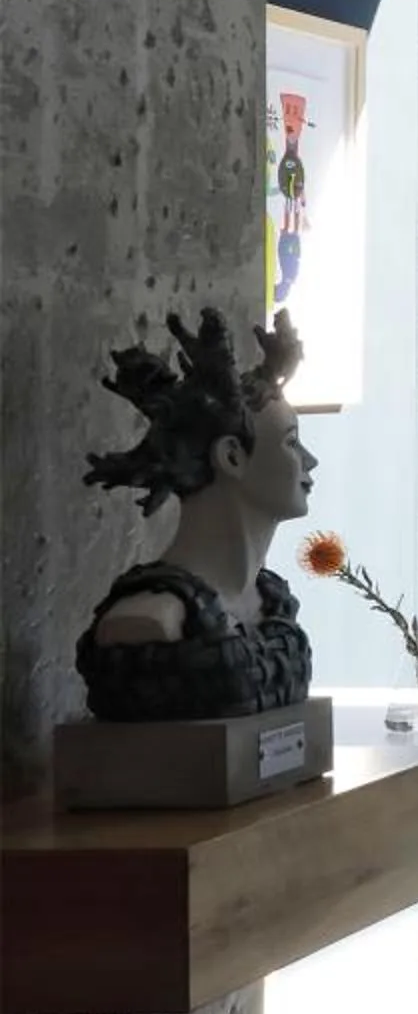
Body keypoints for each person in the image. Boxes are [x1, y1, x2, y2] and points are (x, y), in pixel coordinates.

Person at [75, 307, 317, 721]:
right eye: (291, 443)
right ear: (231, 457)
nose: (309, 462)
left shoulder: (271, 602)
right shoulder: (151, 621)